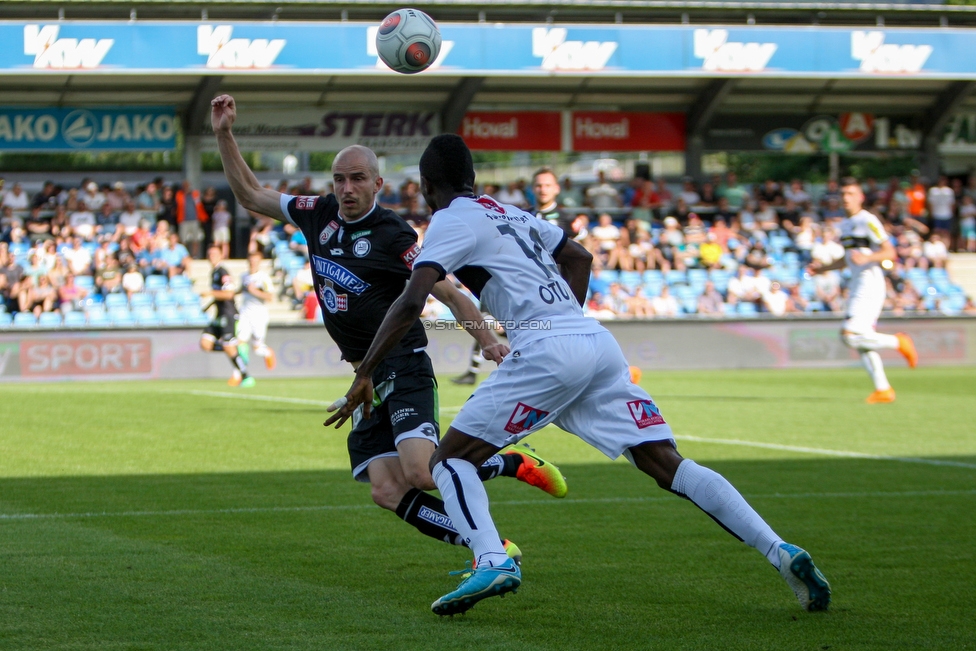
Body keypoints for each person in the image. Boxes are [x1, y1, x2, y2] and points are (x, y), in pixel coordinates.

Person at [328, 134, 832, 617]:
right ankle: (780, 550)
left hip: (547, 351)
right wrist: (563, 321)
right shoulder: (512, 213)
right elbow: (578, 255)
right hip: (595, 343)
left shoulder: (448, 220)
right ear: (474, 178)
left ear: (427, 187)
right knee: (667, 463)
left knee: (449, 461)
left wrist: (364, 371)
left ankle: (492, 559)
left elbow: (412, 299)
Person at [211, 94, 567, 561]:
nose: (346, 187)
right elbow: (250, 195)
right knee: (385, 488)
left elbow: (449, 292)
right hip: (363, 375)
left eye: (357, 178)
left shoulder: (394, 233)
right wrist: (223, 133)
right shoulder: (315, 213)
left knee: (422, 473)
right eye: (339, 179)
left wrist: (488, 340)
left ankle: (511, 462)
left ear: (378, 183)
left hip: (402, 363)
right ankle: (485, 544)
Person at [808, 177, 918, 403]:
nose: (845, 198)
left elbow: (889, 252)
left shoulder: (868, 220)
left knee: (849, 335)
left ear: (860, 197)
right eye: (843, 194)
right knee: (860, 338)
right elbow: (848, 259)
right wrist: (823, 268)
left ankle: (899, 342)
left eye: (850, 194)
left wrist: (869, 257)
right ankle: (883, 389)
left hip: (870, 281)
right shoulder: (845, 224)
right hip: (857, 283)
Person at [200, 244, 253, 387]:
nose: (211, 257)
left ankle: (245, 376)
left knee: (229, 347)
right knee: (205, 343)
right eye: (209, 254)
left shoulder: (223, 272)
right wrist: (209, 306)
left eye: (214, 254)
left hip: (228, 315)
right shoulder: (214, 272)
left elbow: (229, 293)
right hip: (219, 315)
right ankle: (236, 350)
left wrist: (210, 293)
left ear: (221, 256)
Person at [237, 250, 278, 372]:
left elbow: (270, 297)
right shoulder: (243, 276)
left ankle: (268, 352)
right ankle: (241, 368)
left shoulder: (263, 277)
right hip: (244, 312)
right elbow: (240, 289)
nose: (252, 263)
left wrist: (254, 291)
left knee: (257, 348)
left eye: (255, 261)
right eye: (250, 261)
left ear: (259, 262)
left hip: (259, 314)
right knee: (240, 340)